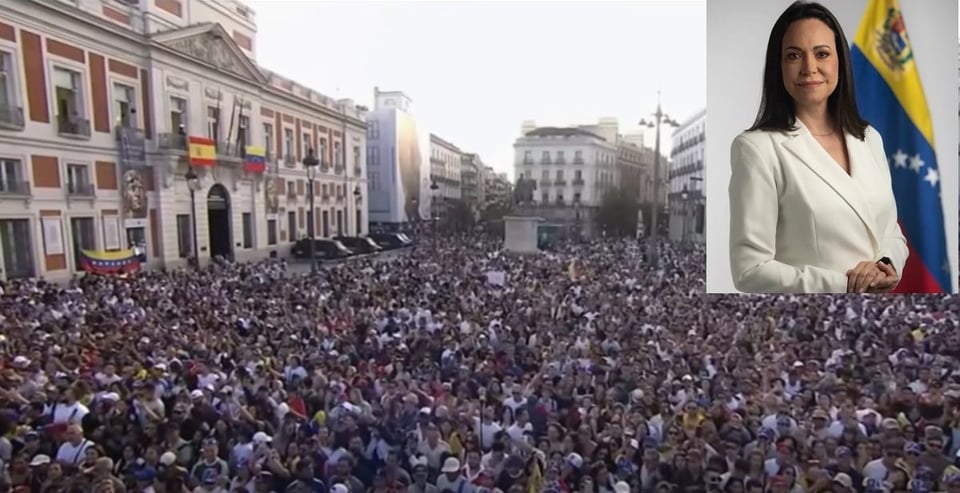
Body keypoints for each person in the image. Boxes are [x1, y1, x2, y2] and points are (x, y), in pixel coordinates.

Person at [727, 0, 907, 294]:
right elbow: (750, 269)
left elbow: (891, 231)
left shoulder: (870, 138)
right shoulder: (757, 148)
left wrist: (886, 264)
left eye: (821, 53)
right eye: (794, 55)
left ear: (840, 61)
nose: (809, 68)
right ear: (779, 66)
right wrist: (846, 284)